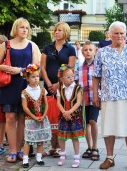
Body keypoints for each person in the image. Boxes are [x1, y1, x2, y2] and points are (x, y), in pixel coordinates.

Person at [93, 21, 127, 171]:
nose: (119, 36)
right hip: (109, 94)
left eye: (122, 33)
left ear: (126, 34)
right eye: (116, 33)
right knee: (109, 127)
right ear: (110, 35)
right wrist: (96, 94)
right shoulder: (102, 52)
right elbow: (96, 76)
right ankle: (109, 157)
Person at [0, 17, 41, 163]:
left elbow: (36, 67)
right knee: (10, 117)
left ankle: (20, 150)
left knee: (21, 118)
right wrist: (6, 68)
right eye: (22, 27)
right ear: (16, 29)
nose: (25, 30)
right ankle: (12, 151)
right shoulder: (6, 45)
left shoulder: (32, 45)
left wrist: (20, 70)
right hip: (9, 85)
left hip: (25, 85)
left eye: (27, 28)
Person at [41, 21, 76, 157]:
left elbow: (70, 69)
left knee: (60, 117)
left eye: (60, 30)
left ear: (66, 32)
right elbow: (42, 67)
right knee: (49, 117)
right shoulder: (47, 48)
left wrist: (58, 84)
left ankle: (58, 148)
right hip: (48, 87)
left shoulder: (70, 49)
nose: (56, 32)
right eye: (55, 30)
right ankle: (50, 147)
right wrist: (49, 83)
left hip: (62, 87)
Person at [21, 64, 51, 168]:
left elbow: (46, 104)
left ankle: (39, 156)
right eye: (33, 77)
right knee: (28, 140)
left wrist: (43, 115)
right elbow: (25, 107)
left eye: (37, 76)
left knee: (40, 138)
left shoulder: (42, 90)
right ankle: (25, 159)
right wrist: (34, 117)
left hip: (42, 118)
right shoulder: (25, 92)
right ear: (27, 78)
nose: (36, 79)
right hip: (30, 120)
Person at [75, 41, 100, 161]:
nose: (88, 52)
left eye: (90, 49)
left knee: (93, 121)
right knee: (86, 124)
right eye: (85, 50)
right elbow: (75, 82)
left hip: (94, 99)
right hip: (83, 100)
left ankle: (95, 147)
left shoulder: (98, 66)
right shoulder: (79, 67)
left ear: (95, 51)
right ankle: (89, 147)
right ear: (82, 52)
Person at [56, 64, 85, 168]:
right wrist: (64, 112)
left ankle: (77, 157)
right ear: (62, 79)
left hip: (74, 116)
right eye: (68, 77)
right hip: (63, 116)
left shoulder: (78, 88)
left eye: (72, 76)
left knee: (74, 137)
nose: (71, 78)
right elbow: (59, 103)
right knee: (61, 136)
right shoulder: (60, 89)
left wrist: (70, 112)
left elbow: (78, 102)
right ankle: (62, 154)